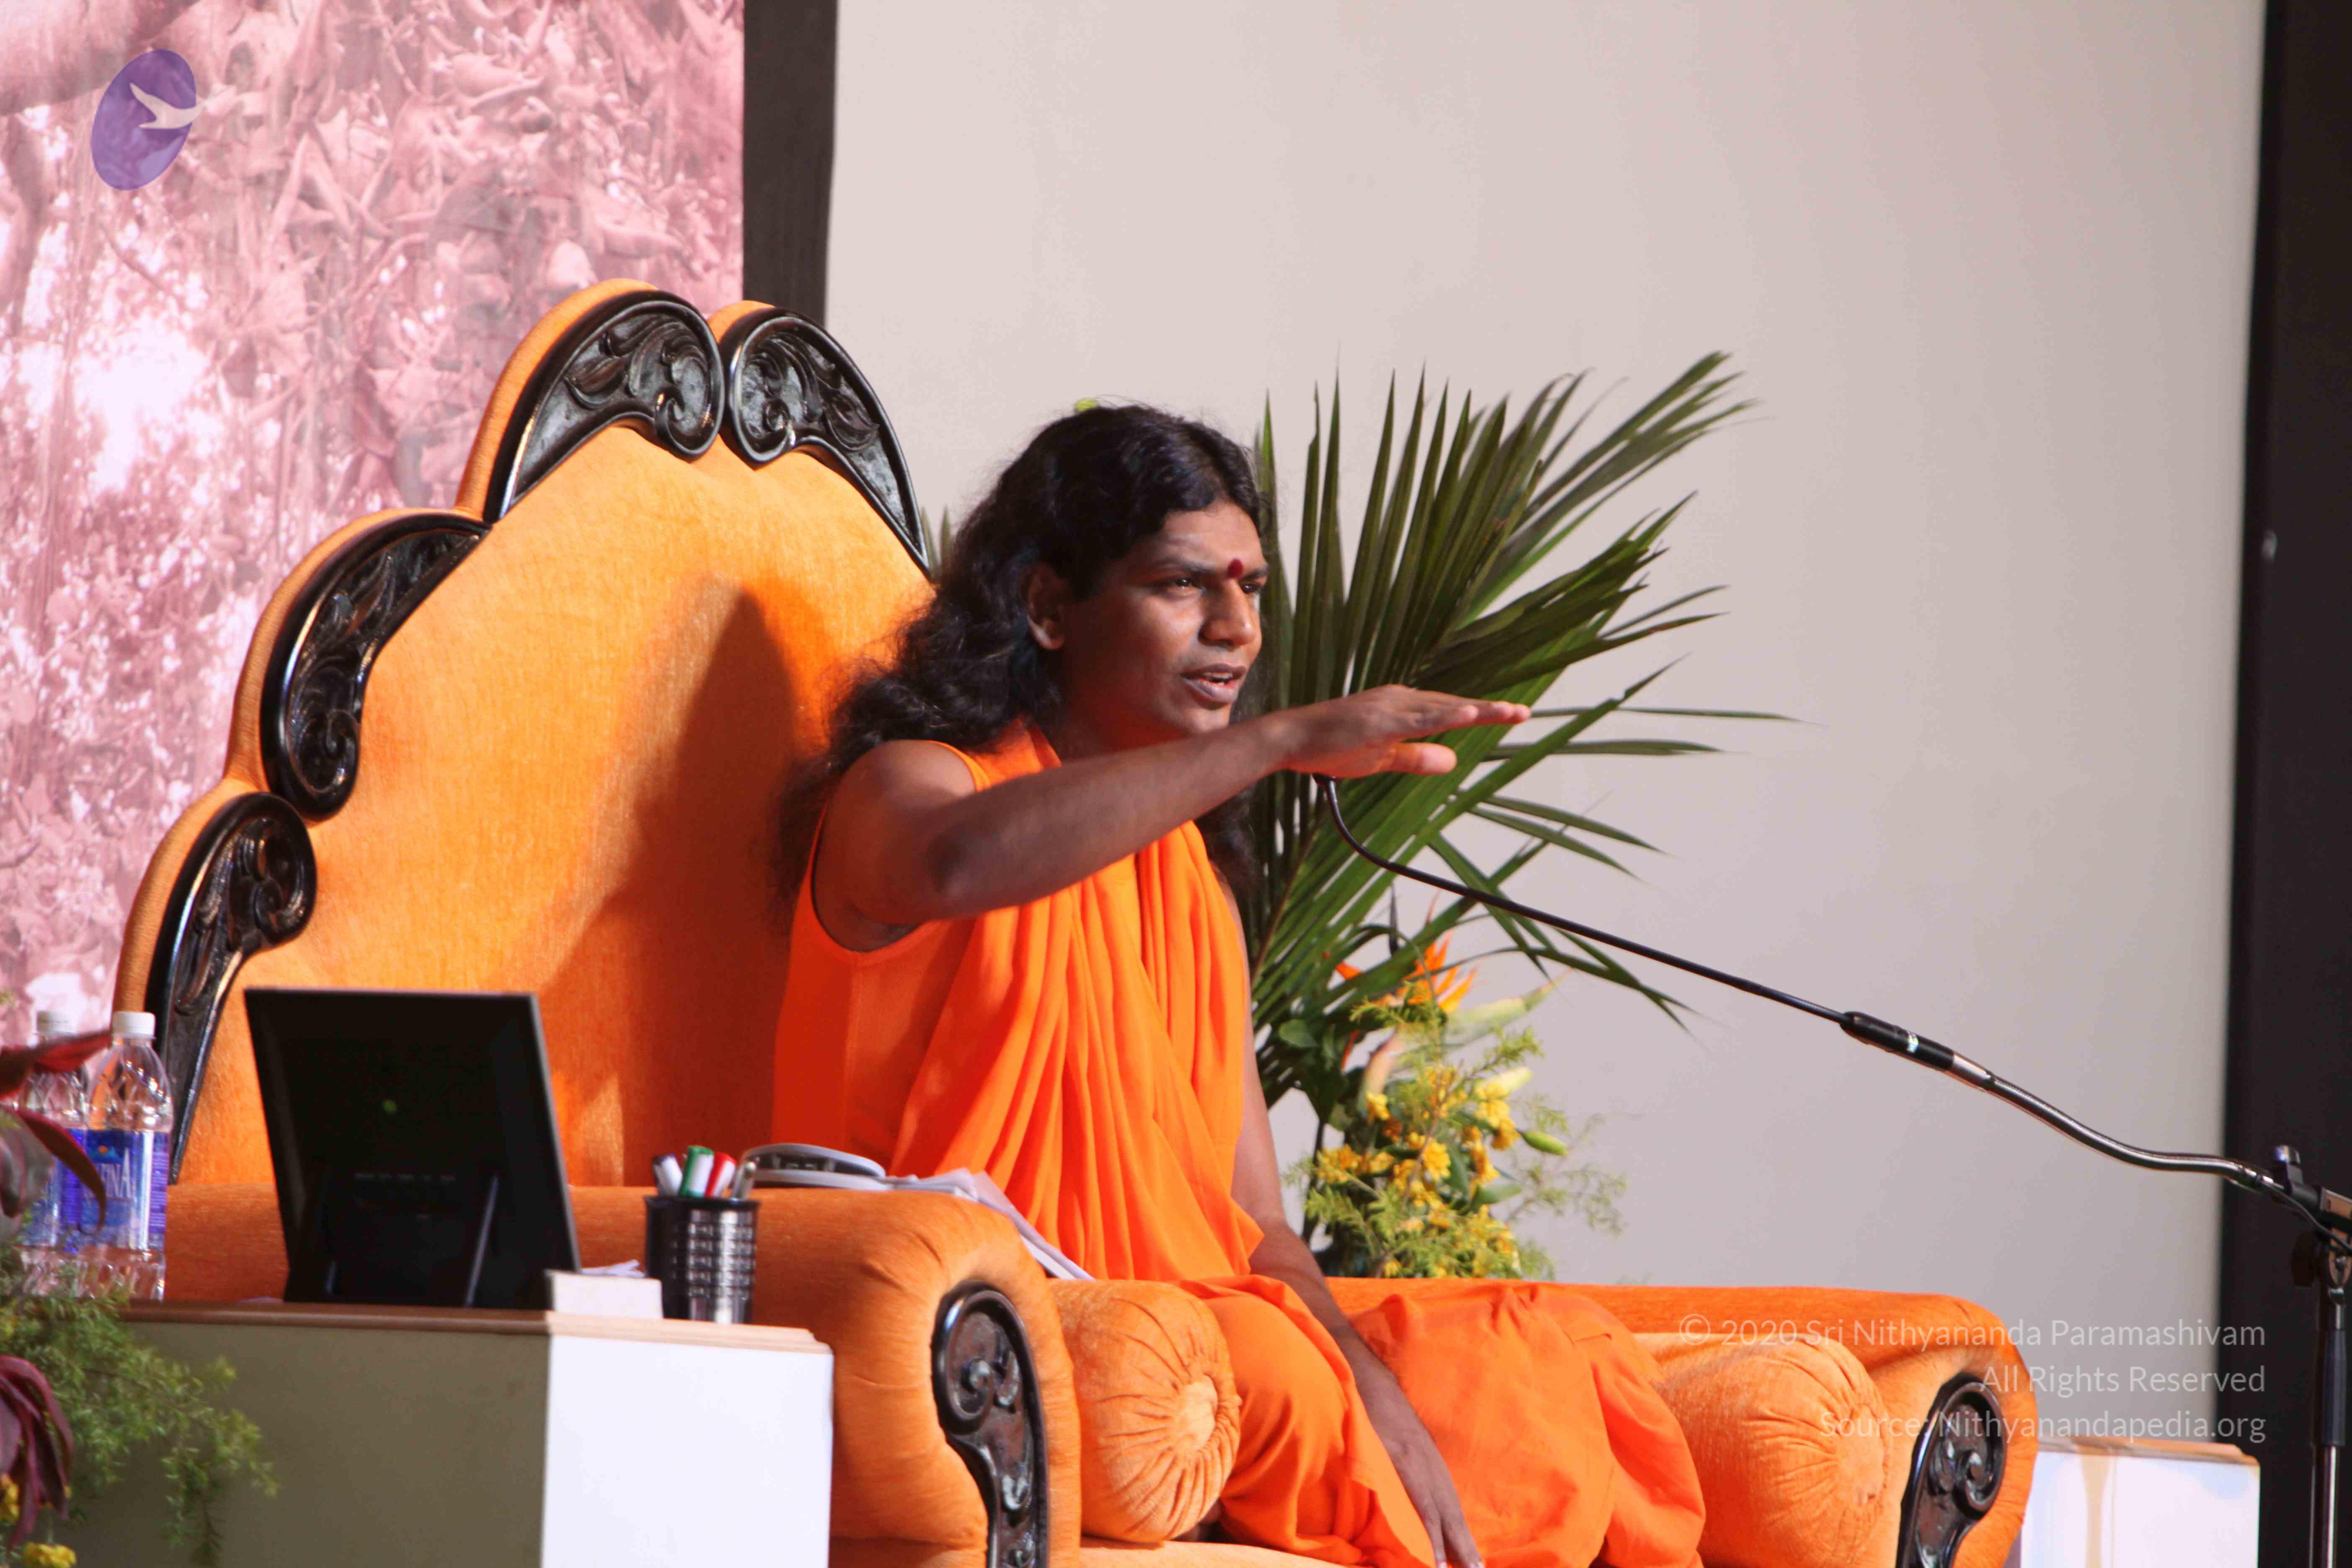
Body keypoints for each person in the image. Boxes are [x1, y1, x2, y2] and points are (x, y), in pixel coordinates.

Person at [774, 405, 1705, 1568]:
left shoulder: (1190, 880)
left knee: (1550, 1354)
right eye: (1183, 585)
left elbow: (1260, 1230)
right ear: (1049, 607)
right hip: (982, 1328)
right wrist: (1273, 744)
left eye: (1252, 587)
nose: (1238, 629)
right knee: (1270, 1374)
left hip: (1197, 1334)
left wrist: (1374, 1385)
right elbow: (956, 866)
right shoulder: (910, 785)